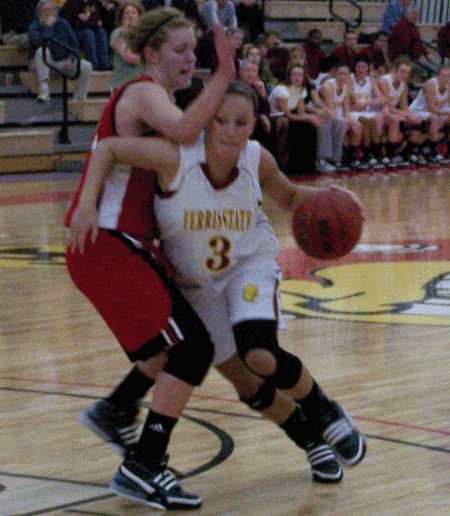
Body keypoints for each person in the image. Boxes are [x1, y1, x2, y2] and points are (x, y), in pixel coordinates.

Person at [69, 79, 367, 490]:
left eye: (241, 122)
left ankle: (326, 412)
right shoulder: (175, 156)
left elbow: (290, 195)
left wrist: (340, 199)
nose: (230, 129)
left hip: (248, 266)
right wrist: (87, 203)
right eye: (220, 120)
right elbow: (108, 148)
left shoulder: (255, 159)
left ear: (254, 126)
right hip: (197, 285)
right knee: (244, 379)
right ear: (205, 121)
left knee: (260, 355)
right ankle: (310, 439)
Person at [65, 7, 236, 510]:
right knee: (192, 349)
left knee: (167, 353)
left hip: (124, 244)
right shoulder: (143, 93)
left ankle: (116, 410)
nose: (191, 59)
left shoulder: (157, 100)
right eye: (181, 51)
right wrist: (223, 74)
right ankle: (143, 466)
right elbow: (181, 132)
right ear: (152, 54)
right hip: (107, 243)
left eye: (194, 50)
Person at [28, 0, 93, 103]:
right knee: (42, 50)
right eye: (44, 10)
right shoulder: (34, 26)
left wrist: (70, 59)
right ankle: (44, 91)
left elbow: (74, 44)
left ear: (55, 11)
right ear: (39, 12)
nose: (48, 13)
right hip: (43, 63)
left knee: (86, 66)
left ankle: (79, 100)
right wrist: (47, 27)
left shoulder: (63, 23)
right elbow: (39, 42)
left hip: (62, 61)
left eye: (50, 10)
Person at [268, 64, 321, 174]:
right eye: (295, 75)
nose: (297, 77)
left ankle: (306, 166)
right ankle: (281, 165)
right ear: (289, 76)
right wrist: (309, 119)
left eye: (300, 75)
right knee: (289, 123)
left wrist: (313, 118)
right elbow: (287, 115)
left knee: (310, 125)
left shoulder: (301, 90)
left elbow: (301, 112)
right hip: (275, 117)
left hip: (289, 116)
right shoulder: (281, 89)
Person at [377, 57, 423, 166]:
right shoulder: (384, 81)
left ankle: (407, 152)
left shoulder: (403, 85)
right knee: (396, 120)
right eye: (402, 71)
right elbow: (386, 105)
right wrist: (405, 115)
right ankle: (390, 155)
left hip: (391, 112)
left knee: (417, 120)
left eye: (408, 73)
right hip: (378, 112)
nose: (405, 75)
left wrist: (411, 115)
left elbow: (404, 107)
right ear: (395, 70)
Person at [319, 63, 363, 169]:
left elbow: (346, 111)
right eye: (340, 74)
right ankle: (333, 159)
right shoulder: (328, 87)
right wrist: (348, 121)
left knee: (357, 126)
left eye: (345, 74)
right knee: (343, 125)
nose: (342, 76)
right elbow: (330, 112)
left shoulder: (346, 87)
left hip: (335, 116)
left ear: (349, 76)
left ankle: (350, 158)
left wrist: (352, 121)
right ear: (335, 74)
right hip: (324, 116)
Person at [349, 57, 387, 169]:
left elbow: (382, 99)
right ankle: (368, 153)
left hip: (364, 111)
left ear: (368, 68)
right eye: (358, 66)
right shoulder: (350, 79)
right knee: (367, 120)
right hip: (351, 112)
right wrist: (369, 103)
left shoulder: (370, 80)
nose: (361, 69)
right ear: (354, 68)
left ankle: (375, 152)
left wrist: (366, 103)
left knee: (378, 117)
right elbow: (352, 104)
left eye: (364, 66)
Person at [408, 65, 450, 164]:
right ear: (437, 76)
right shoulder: (430, 84)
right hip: (419, 111)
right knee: (435, 118)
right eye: (443, 76)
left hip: (436, 112)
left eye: (448, 76)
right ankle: (433, 152)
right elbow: (431, 109)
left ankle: (448, 151)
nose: (446, 79)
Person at [59, 0, 112, 70]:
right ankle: (93, 64)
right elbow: (75, 23)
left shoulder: (94, 3)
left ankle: (104, 63)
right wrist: (91, 22)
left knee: (101, 32)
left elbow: (99, 22)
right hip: (73, 33)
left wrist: (89, 21)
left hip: (89, 29)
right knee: (89, 33)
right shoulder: (71, 3)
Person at [389, 5, 434, 81]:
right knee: (430, 69)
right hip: (402, 58)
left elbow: (418, 43)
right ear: (407, 14)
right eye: (413, 13)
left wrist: (426, 54)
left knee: (437, 64)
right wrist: (420, 56)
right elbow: (406, 47)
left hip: (412, 56)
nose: (415, 16)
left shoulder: (413, 27)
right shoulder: (402, 26)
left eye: (417, 14)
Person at [238, 58, 272, 149]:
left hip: (256, 122)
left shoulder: (256, 88)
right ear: (241, 72)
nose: (250, 74)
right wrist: (261, 116)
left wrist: (263, 94)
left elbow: (267, 111)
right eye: (248, 71)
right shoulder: (236, 88)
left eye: (254, 71)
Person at [109, 0, 144, 91]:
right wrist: (148, 58)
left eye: (133, 12)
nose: (130, 15)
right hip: (122, 83)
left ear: (139, 15)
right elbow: (129, 57)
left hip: (141, 83)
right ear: (122, 16)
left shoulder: (143, 34)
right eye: (127, 13)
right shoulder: (118, 33)